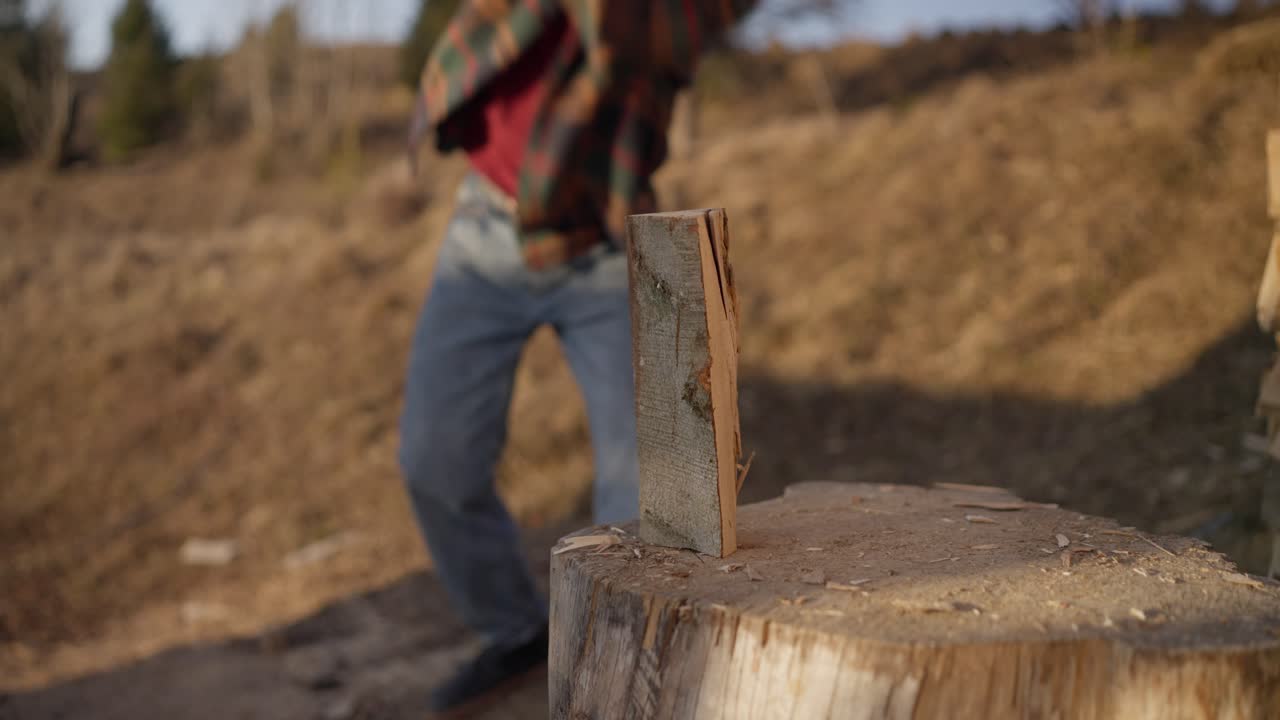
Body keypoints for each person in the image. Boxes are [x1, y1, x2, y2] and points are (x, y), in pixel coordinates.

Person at [400, 0, 757, 714]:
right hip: (484, 233)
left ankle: (631, 661)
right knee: (435, 460)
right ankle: (513, 632)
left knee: (646, 489)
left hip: (602, 234)